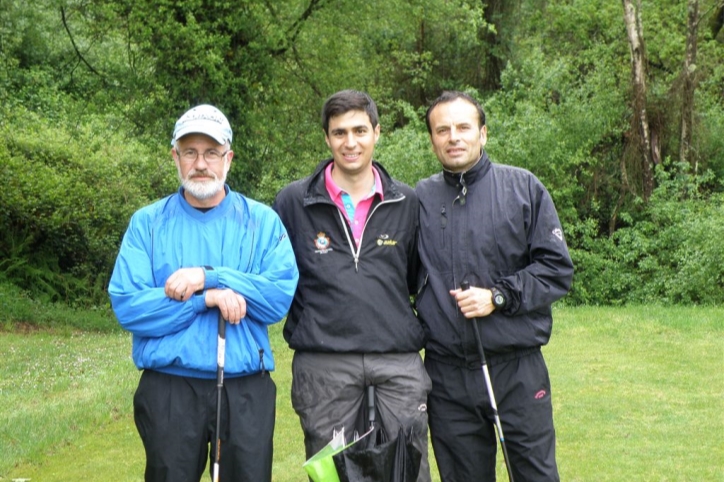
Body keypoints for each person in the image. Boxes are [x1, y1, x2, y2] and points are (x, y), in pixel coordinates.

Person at [108, 104, 298, 482]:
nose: (201, 163)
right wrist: (204, 300)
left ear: (228, 158)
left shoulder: (261, 221)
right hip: (169, 387)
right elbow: (130, 306)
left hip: (244, 388)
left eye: (211, 152)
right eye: (190, 152)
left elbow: (277, 296)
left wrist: (210, 276)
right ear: (175, 157)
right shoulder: (147, 223)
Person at [272, 90, 432, 482]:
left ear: (377, 133)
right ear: (327, 138)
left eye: (360, 130)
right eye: (339, 132)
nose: (350, 142)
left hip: (397, 360)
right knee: (333, 473)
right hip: (324, 363)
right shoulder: (294, 201)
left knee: (408, 469)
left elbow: (415, 277)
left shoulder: (407, 201)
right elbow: (281, 277)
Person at [415, 91, 574, 482]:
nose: (454, 137)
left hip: (516, 369)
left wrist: (499, 296)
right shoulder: (418, 198)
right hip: (448, 376)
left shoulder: (523, 189)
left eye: (463, 127)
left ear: (482, 134)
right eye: (443, 129)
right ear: (433, 139)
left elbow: (556, 269)